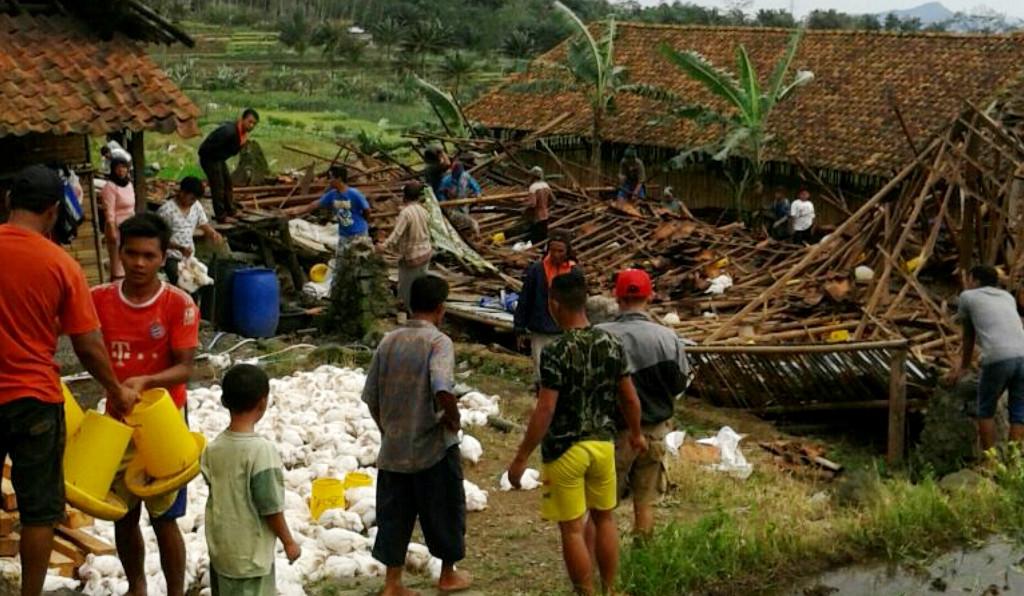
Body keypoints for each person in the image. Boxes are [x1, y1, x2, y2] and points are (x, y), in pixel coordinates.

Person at [0, 165, 136, 596]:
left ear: (9, 202)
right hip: (34, 399)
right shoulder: (61, 264)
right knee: (41, 513)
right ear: (55, 209)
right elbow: (88, 345)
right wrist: (116, 390)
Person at [506, 272, 646, 596]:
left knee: (571, 529)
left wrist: (520, 457)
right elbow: (629, 397)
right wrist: (636, 433)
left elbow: (546, 409)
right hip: (602, 445)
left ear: (554, 305)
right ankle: (611, 589)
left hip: (565, 450)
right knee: (605, 520)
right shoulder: (611, 344)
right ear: (585, 301)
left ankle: (586, 592)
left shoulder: (555, 351)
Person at [91, 213, 202, 596]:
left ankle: (175, 592)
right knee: (123, 513)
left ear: (162, 257)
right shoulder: (98, 300)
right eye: (132, 254)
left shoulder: (178, 304)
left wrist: (145, 381)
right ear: (119, 253)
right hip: (116, 422)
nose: (139, 263)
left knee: (165, 517)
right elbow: (82, 342)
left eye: (149, 255)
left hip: (164, 422)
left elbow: (185, 368)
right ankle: (136, 587)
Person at [362, 275, 472, 596]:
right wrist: (452, 418)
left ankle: (392, 582)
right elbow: (441, 386)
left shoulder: (389, 341)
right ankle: (447, 574)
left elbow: (371, 397)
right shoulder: (439, 342)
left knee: (394, 515)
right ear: (441, 309)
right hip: (433, 447)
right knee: (445, 509)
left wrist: (388, 430)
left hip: (394, 448)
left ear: (410, 306)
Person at [595, 269, 690, 536]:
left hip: (610, 433)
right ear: (649, 296)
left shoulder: (599, 335)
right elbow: (679, 384)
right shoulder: (668, 338)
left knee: (602, 509)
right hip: (655, 431)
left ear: (617, 296)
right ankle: (642, 553)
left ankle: (601, 564)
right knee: (645, 501)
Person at [202, 364, 302, 595]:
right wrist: (288, 541)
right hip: (251, 559)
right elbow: (270, 506)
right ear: (263, 402)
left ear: (224, 402)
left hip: (222, 553)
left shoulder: (213, 448)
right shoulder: (261, 451)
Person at [946, 265, 1024, 451]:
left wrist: (963, 367)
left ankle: (990, 461)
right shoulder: (1007, 297)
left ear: (975, 280)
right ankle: (1014, 463)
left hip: (998, 358)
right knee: (1019, 412)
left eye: (969, 278)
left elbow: (968, 336)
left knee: (985, 409)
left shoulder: (968, 296)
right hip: (1022, 355)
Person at [513, 229, 582, 384]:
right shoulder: (537, 270)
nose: (556, 254)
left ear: (567, 251)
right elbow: (525, 299)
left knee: (566, 371)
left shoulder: (575, 272)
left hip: (566, 332)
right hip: (541, 329)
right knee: (541, 370)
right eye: (553, 250)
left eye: (560, 251)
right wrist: (519, 328)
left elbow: (580, 304)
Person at [289, 165, 371, 255]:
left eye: (331, 178)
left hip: (358, 234)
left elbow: (367, 210)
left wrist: (362, 223)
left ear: (339, 179)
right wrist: (297, 211)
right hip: (344, 235)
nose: (329, 181)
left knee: (359, 260)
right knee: (341, 261)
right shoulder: (332, 195)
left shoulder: (354, 194)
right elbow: (315, 205)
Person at [157, 176, 224, 286]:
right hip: (171, 257)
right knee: (184, 285)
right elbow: (158, 239)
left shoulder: (196, 206)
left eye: (195, 199)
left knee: (201, 282)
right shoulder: (166, 211)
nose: (193, 202)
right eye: (191, 198)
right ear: (182, 193)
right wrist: (179, 248)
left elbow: (202, 223)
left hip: (189, 256)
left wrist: (212, 233)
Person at [199, 108, 259, 223]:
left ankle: (231, 210)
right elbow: (207, 147)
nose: (251, 125)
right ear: (242, 119)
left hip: (219, 159)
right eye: (249, 122)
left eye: (254, 124)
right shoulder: (228, 131)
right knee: (218, 186)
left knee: (228, 184)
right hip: (209, 158)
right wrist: (214, 161)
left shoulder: (241, 134)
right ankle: (221, 216)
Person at [381, 181, 432, 311]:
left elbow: (397, 234)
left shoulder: (406, 213)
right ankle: (420, 310)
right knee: (420, 285)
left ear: (405, 196)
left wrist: (384, 246)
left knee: (405, 288)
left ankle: (407, 313)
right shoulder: (423, 210)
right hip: (426, 252)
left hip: (412, 256)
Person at [101, 157, 136, 281]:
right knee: (117, 261)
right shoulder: (110, 187)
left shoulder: (129, 184)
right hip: (116, 227)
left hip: (130, 227)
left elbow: (132, 207)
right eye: (118, 168)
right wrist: (111, 231)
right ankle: (116, 285)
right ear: (113, 169)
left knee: (129, 256)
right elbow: (109, 211)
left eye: (124, 167)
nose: (121, 171)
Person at [439, 160, 481, 238]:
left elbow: (474, 184)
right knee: (456, 220)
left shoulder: (465, 176)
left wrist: (478, 192)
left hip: (463, 202)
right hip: (452, 204)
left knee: (465, 219)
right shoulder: (446, 180)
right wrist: (444, 201)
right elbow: (441, 192)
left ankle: (466, 234)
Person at [525, 166, 553, 244]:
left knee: (536, 239)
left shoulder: (533, 188)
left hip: (537, 217)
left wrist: (525, 206)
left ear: (532, 176)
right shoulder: (546, 185)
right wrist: (546, 205)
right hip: (546, 215)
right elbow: (553, 200)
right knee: (543, 238)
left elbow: (533, 204)